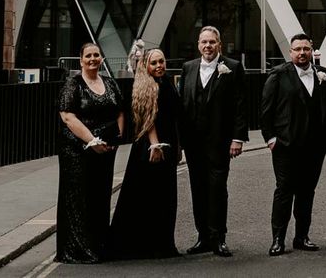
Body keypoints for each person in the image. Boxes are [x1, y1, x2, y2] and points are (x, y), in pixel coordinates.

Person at [261, 33, 326, 256]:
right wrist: (271, 138)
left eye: (306, 48)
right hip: (286, 146)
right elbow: (266, 110)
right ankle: (278, 239)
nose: (302, 53)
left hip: (315, 147)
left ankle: (302, 237)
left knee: (306, 192)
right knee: (284, 191)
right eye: (297, 49)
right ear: (290, 52)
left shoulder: (323, 75)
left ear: (311, 50)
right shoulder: (278, 75)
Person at [179, 26, 248, 257]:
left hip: (220, 141)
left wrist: (237, 138)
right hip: (193, 142)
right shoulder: (188, 68)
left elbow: (240, 104)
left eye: (212, 42)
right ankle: (203, 238)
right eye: (203, 42)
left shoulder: (233, 67)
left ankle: (219, 237)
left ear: (219, 44)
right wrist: (179, 141)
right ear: (198, 44)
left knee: (217, 189)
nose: (207, 46)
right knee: (197, 189)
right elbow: (183, 106)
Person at [108, 49, 180, 260]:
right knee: (148, 196)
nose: (159, 65)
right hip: (151, 147)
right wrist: (155, 146)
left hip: (167, 144)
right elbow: (148, 120)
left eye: (162, 61)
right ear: (146, 66)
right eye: (154, 63)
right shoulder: (146, 85)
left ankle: (161, 244)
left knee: (164, 197)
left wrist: (177, 147)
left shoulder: (166, 83)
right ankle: (143, 246)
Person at [56, 43, 124, 263]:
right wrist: (92, 140)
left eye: (97, 55)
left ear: (102, 59)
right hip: (77, 151)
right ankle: (79, 249)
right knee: (80, 197)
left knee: (100, 195)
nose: (93, 59)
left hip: (104, 151)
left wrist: (117, 138)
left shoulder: (110, 82)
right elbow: (68, 117)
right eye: (89, 55)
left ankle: (99, 245)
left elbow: (119, 110)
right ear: (81, 60)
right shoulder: (72, 84)